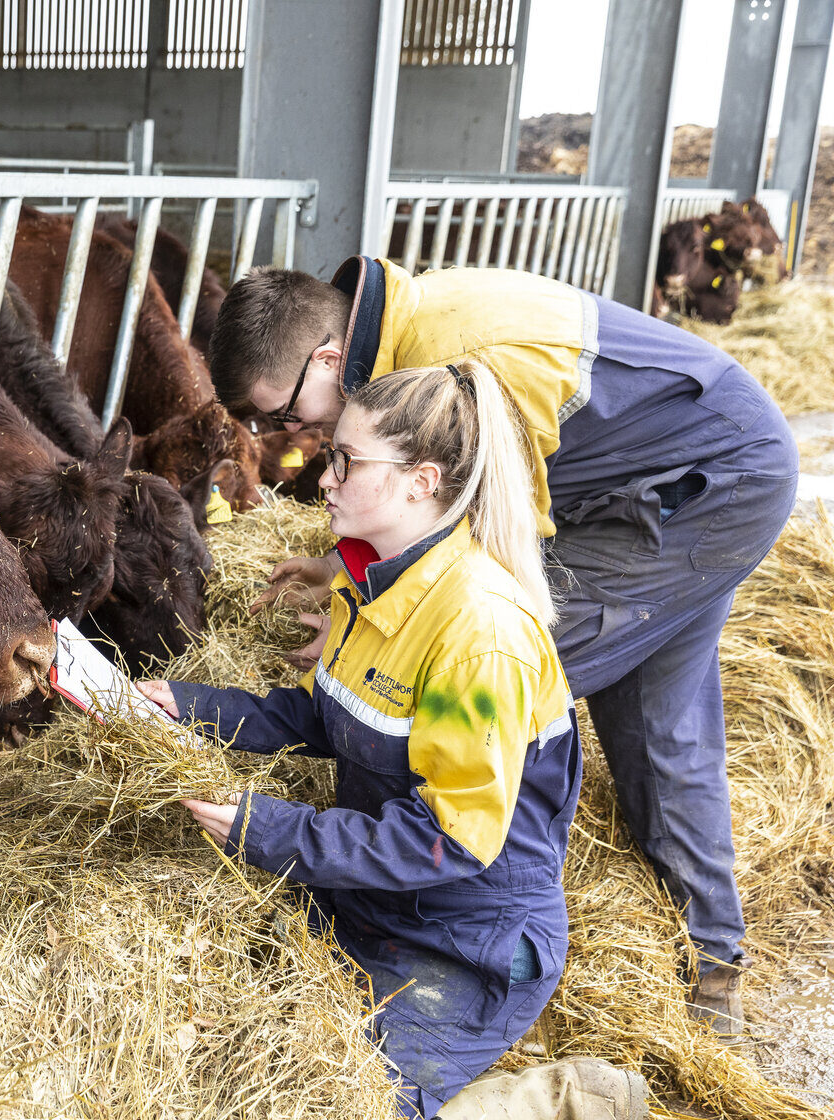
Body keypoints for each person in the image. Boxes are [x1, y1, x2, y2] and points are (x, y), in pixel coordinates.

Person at [206, 259, 797, 1035]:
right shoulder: (403, 333)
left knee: (478, 683)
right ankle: (712, 958)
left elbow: (494, 547)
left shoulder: (461, 359)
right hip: (683, 472)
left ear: (325, 358)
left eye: (282, 414)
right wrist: (341, 566)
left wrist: (373, 631)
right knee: (660, 716)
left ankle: (472, 936)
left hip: (703, 484)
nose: (296, 438)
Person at [139, 360, 646, 1119]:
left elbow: (451, 839)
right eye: (330, 455)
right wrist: (184, 703)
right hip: (372, 901)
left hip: (466, 937)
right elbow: (321, 717)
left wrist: (272, 830)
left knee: (339, 1105)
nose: (322, 479)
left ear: (421, 480)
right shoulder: (372, 580)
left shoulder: (481, 634)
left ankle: (555, 1100)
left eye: (346, 461)